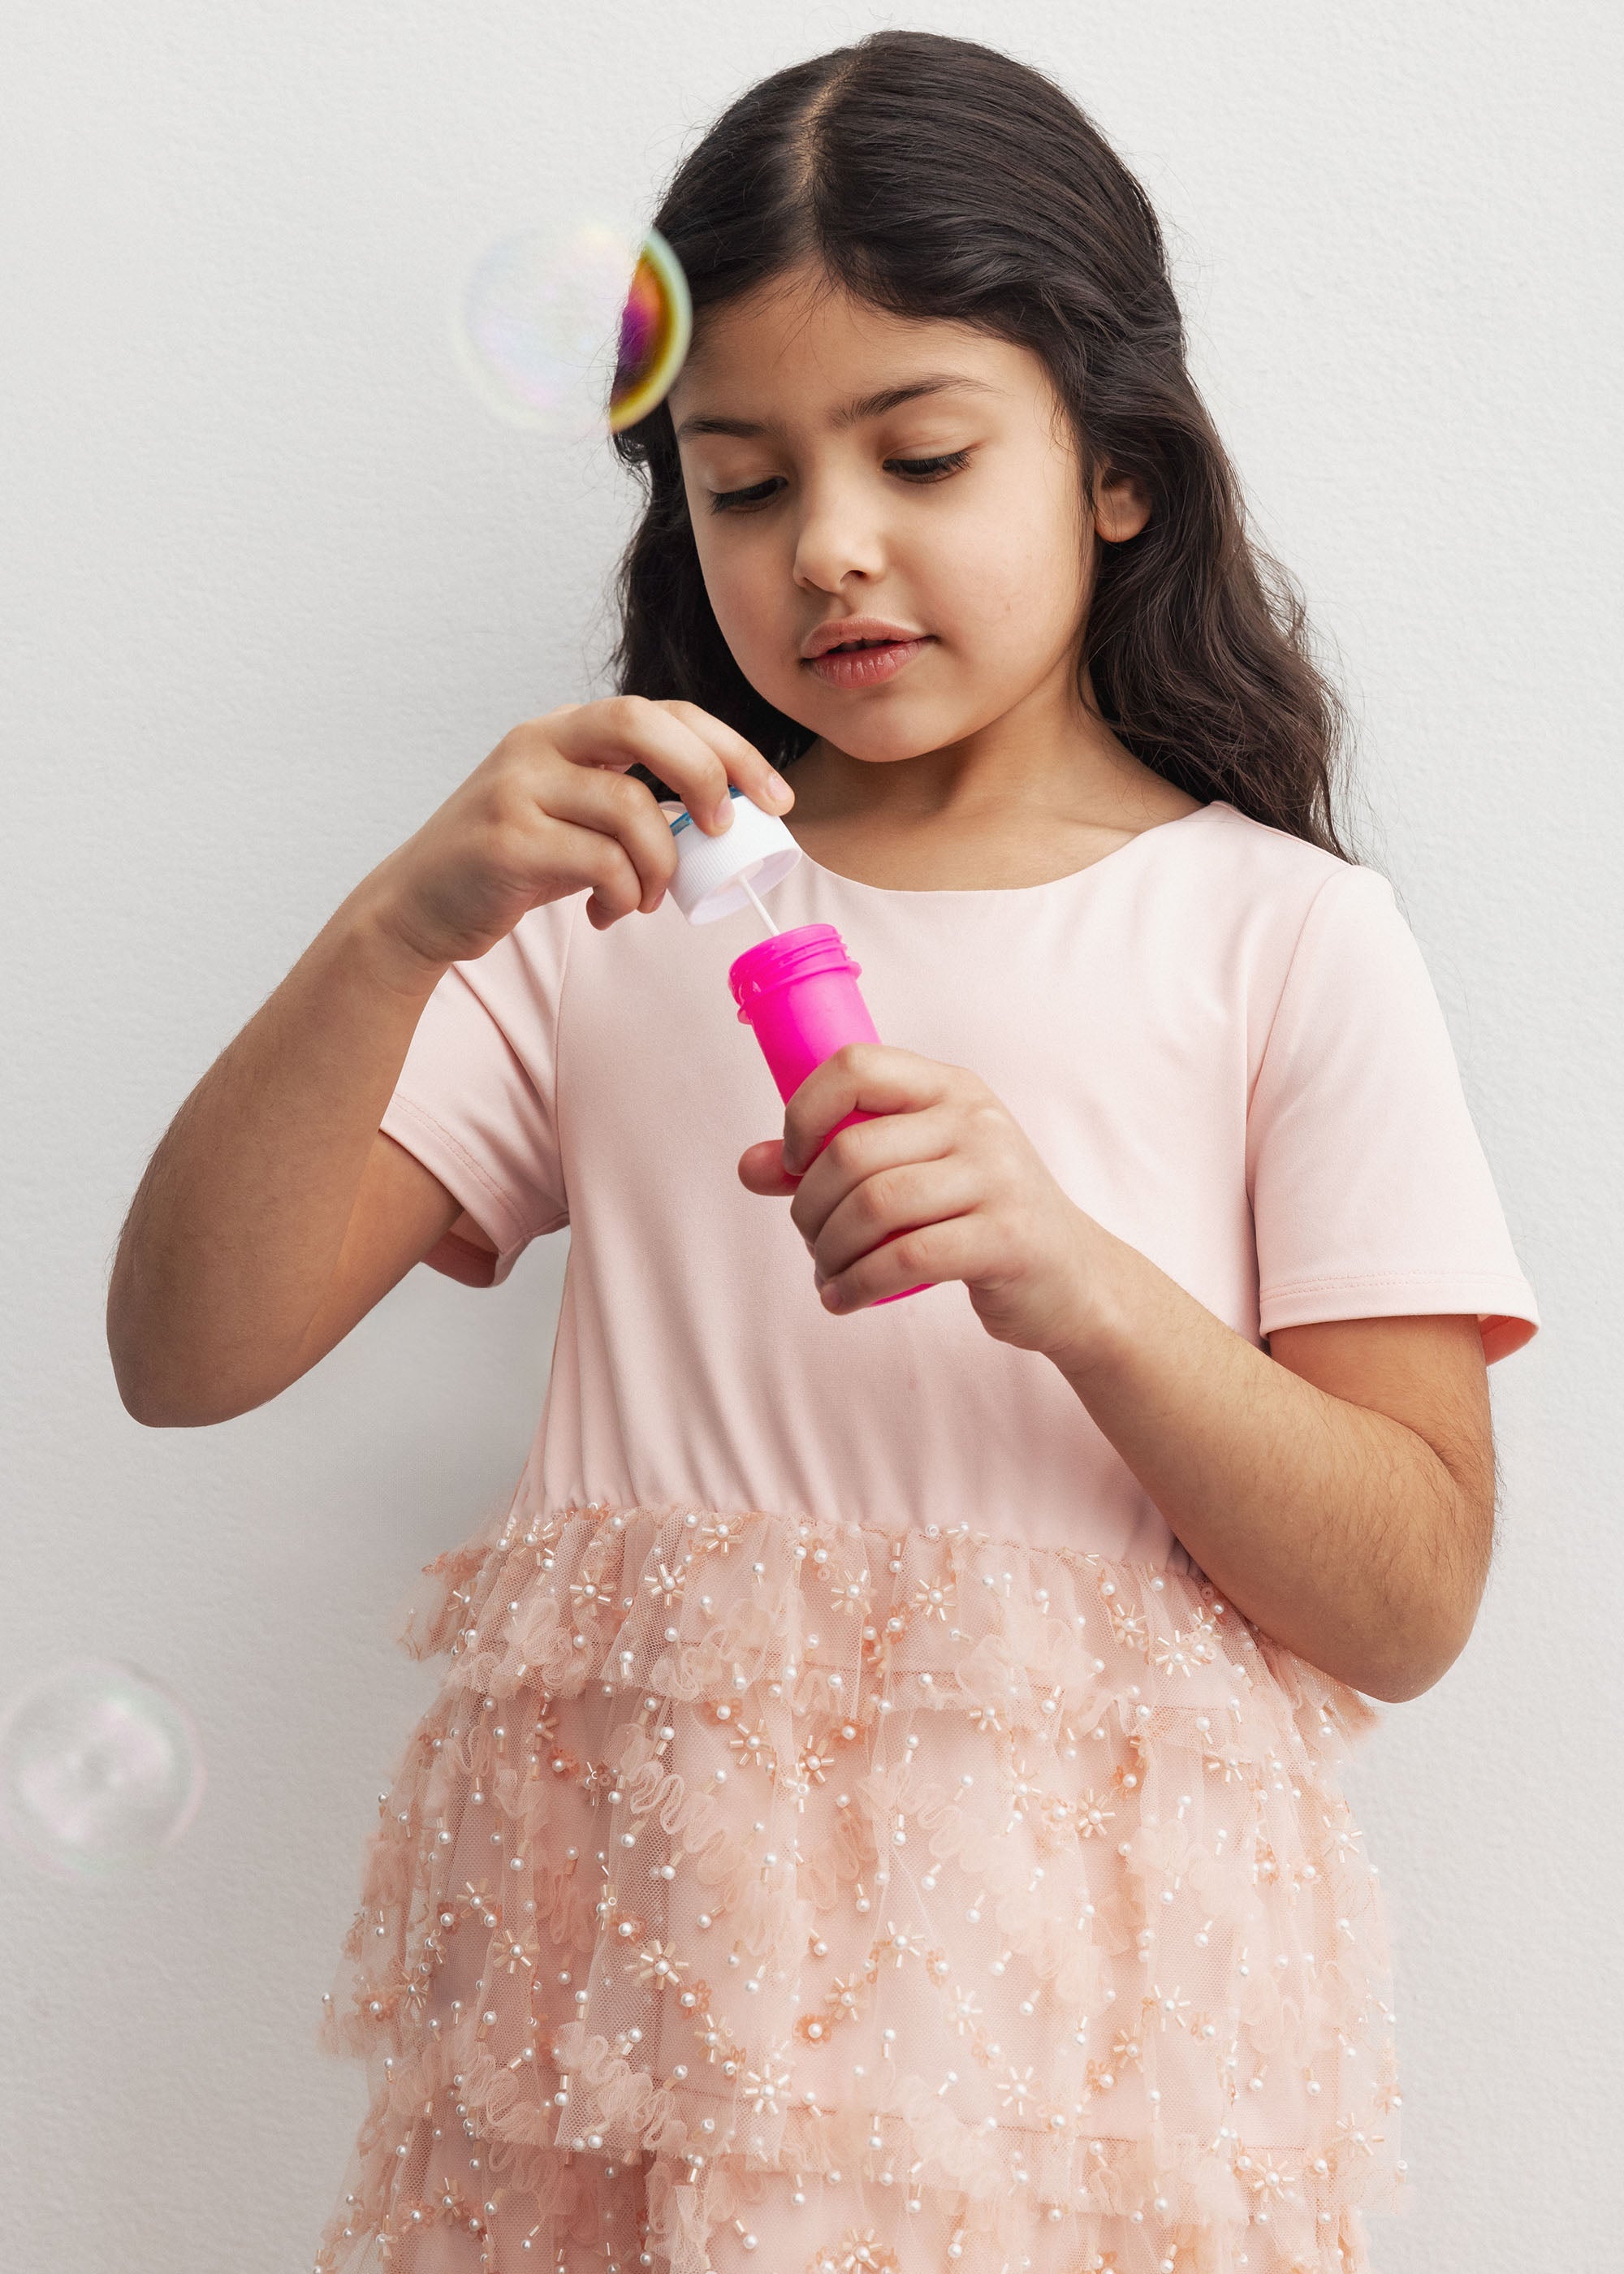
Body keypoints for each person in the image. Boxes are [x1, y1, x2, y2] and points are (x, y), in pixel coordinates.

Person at [106, 30, 1539, 2274]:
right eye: (744, 481)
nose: (832, 548)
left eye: (925, 451)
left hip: (1073, 2074)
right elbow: (184, 1348)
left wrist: (1080, 1281)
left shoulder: (1282, 936)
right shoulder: (618, 908)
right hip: (639, 2033)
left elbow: (1410, 1590)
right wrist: (398, 924)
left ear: (1119, 468)